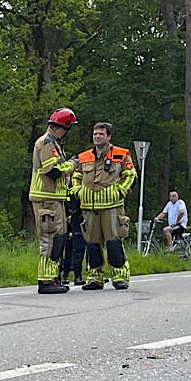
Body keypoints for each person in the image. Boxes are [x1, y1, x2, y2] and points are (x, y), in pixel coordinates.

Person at [73, 122, 137, 290]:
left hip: (112, 207)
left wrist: (120, 191)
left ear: (109, 136)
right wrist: (78, 191)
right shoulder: (84, 157)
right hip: (89, 208)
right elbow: (75, 177)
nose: (97, 136)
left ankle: (120, 276)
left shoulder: (121, 154)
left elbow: (130, 175)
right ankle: (95, 277)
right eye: (95, 134)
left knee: (114, 242)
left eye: (101, 134)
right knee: (92, 244)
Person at [28, 108, 78, 294]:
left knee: (59, 238)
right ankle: (46, 280)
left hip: (54, 198)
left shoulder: (53, 143)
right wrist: (72, 164)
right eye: (68, 128)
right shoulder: (47, 143)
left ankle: (52, 276)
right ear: (63, 127)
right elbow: (52, 170)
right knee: (50, 239)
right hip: (45, 198)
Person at [61, 191, 87, 285]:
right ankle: (67, 274)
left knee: (89, 247)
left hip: (84, 217)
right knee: (71, 248)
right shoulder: (68, 187)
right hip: (71, 220)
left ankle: (90, 274)